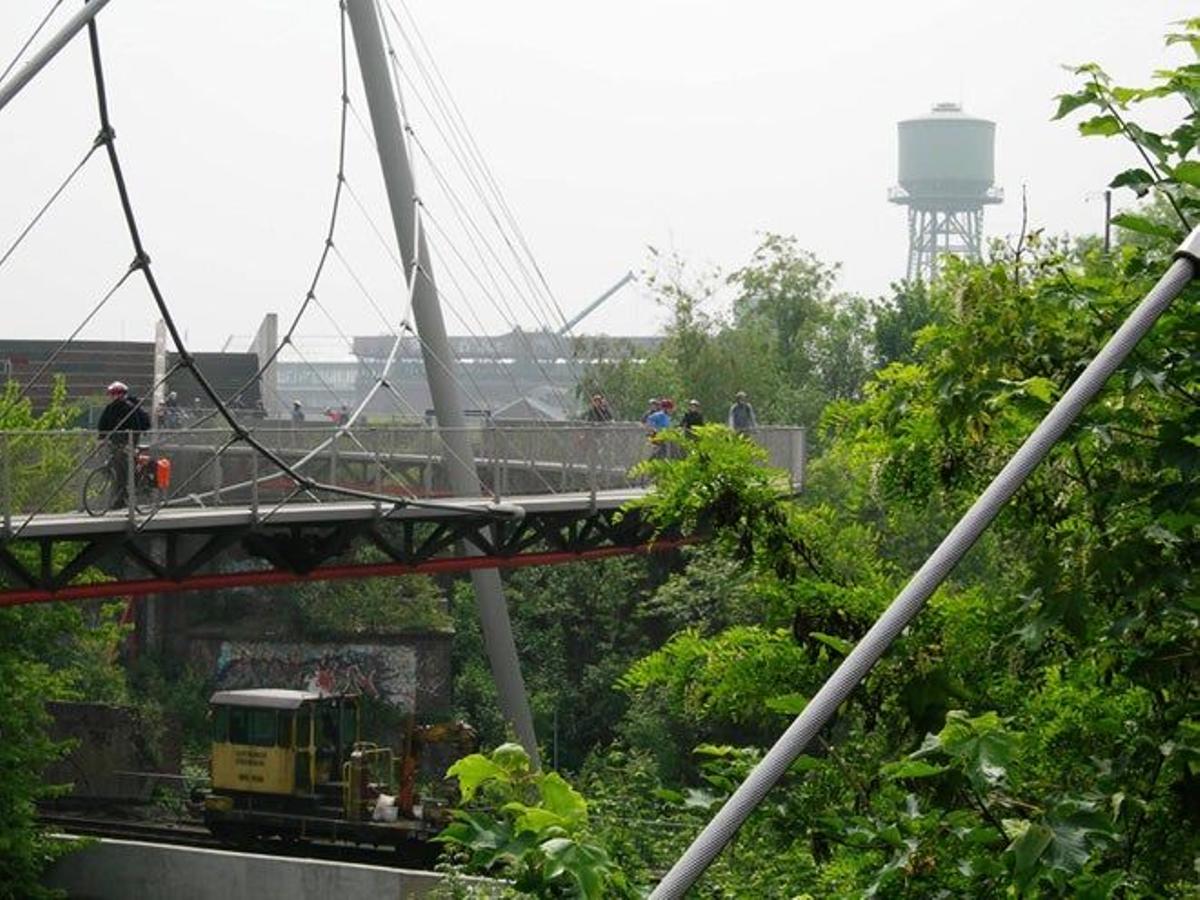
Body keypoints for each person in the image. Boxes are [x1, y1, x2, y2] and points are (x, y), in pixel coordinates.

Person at [97, 381, 150, 508]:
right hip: (116, 442)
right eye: (111, 394)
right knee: (117, 469)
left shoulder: (129, 408)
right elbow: (103, 425)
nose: (113, 396)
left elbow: (136, 426)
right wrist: (101, 439)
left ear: (122, 394)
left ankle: (129, 491)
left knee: (125, 468)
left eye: (115, 393)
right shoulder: (109, 408)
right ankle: (119, 500)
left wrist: (130, 442)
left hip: (128, 442)